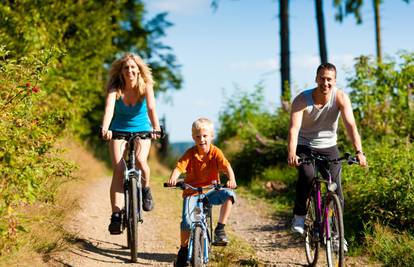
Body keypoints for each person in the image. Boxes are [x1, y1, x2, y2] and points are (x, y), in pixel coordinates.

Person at [287, 63, 367, 245]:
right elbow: (294, 129)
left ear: (335, 81)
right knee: (307, 175)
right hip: (305, 144)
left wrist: (359, 152)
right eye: (322, 78)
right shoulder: (302, 100)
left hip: (330, 146)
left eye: (329, 79)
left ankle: (337, 235)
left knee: (336, 189)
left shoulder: (340, 97)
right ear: (316, 79)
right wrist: (292, 153)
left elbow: (351, 126)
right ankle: (299, 215)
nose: (325, 83)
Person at [101, 53, 162, 235]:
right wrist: (105, 128)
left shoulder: (146, 86)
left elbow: (151, 108)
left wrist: (156, 128)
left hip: (142, 129)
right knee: (119, 169)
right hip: (118, 129)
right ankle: (116, 215)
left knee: (140, 160)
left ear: (139, 70)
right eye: (126, 67)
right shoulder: (115, 88)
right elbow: (109, 109)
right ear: (121, 71)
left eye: (133, 67)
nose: (130, 71)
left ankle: (145, 190)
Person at [166, 117, 237, 267]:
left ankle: (220, 229)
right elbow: (179, 167)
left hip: (211, 190)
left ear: (211, 136)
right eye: (198, 136)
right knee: (186, 223)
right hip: (192, 192)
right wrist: (173, 178)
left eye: (205, 136)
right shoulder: (190, 153)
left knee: (229, 195)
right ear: (193, 138)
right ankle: (184, 250)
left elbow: (227, 167)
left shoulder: (216, 152)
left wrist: (231, 180)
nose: (202, 139)